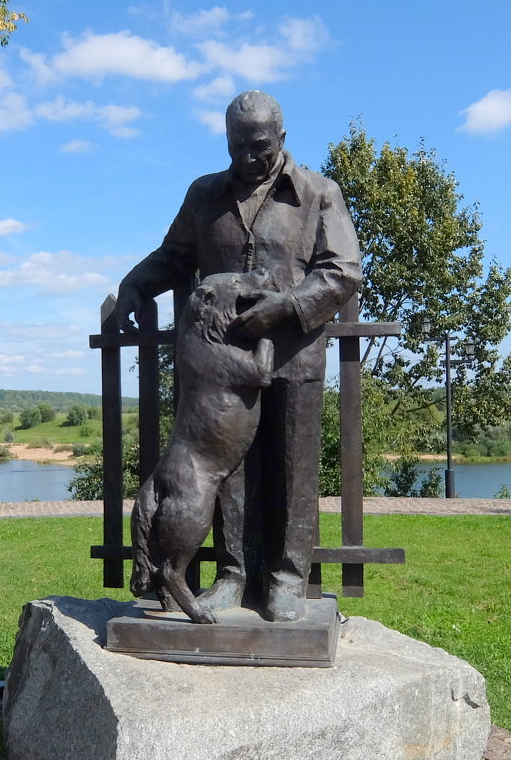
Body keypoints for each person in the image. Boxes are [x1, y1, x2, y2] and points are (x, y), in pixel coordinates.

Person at [115, 90, 361, 622]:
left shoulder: (318, 193)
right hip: (222, 369)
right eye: (237, 146)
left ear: (282, 138)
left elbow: (342, 270)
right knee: (227, 472)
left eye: (260, 145)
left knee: (294, 472)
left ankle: (287, 580)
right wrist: (136, 282)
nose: (249, 157)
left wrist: (287, 307)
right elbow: (174, 256)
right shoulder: (206, 195)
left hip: (294, 355)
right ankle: (233, 575)